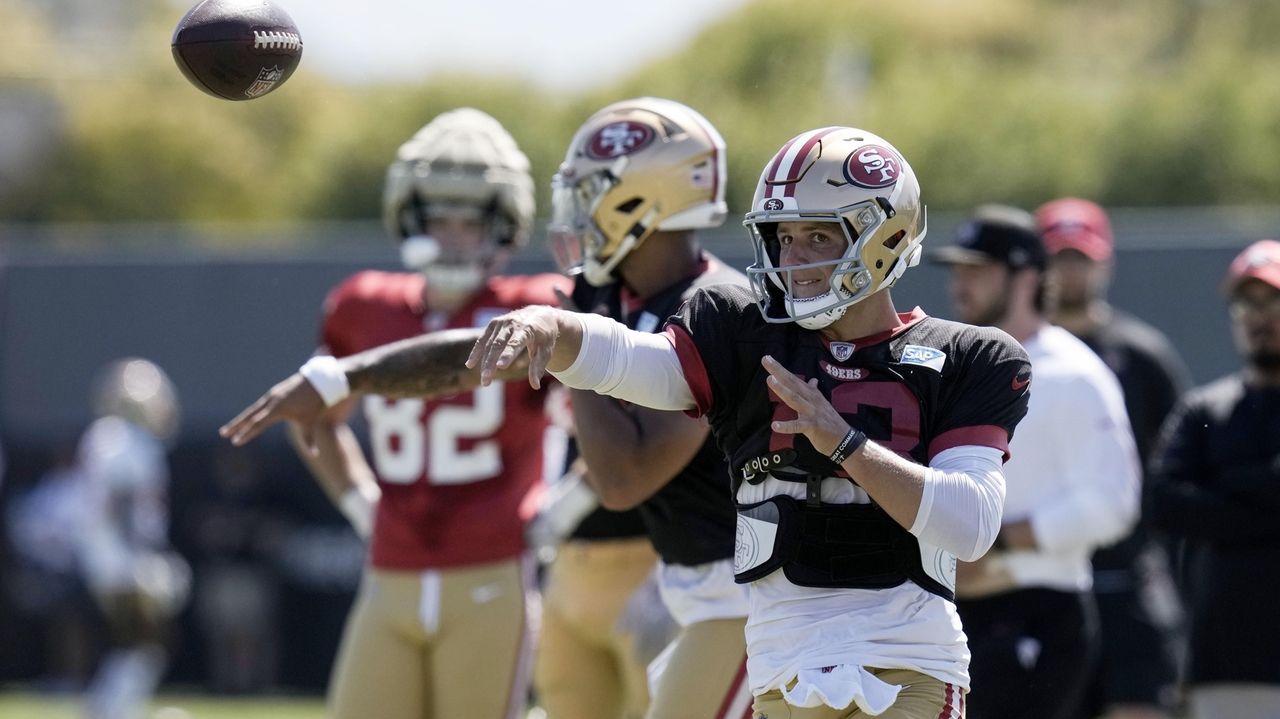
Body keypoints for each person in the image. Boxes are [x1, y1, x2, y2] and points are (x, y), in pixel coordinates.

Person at [462, 126, 1034, 719]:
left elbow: (970, 524)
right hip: (781, 667)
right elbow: (638, 362)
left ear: (885, 235)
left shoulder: (966, 356)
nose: (795, 258)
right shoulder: (741, 331)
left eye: (818, 236)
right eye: (783, 237)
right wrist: (556, 328)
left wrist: (845, 445)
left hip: (905, 663)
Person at [229, 107, 567, 719]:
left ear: (503, 223)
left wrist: (563, 508)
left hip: (490, 565)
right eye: (439, 218)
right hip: (390, 568)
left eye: (470, 222)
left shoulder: (535, 307)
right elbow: (318, 419)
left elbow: (600, 411)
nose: (452, 236)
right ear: (409, 214)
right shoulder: (362, 305)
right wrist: (361, 505)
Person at [545, 97, 754, 719]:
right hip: (694, 586)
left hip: (748, 594)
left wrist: (570, 344)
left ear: (641, 200)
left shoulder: (717, 309)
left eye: (592, 193)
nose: (578, 213)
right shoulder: (617, 293)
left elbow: (624, 478)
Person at [933, 205, 1141, 719]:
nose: (962, 283)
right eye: (959, 269)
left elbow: (1111, 504)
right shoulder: (949, 363)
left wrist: (995, 543)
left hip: (1039, 610)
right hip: (953, 610)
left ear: (1026, 278)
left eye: (978, 269)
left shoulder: (1072, 372)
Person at [1036, 197, 1188, 719]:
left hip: (1127, 578)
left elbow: (1175, 472)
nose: (1070, 271)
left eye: (1081, 257)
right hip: (1035, 579)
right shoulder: (1009, 355)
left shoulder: (1141, 356)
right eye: (1059, 257)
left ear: (1105, 262)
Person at [1146, 239, 1280, 719]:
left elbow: (1195, 503)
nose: (1259, 317)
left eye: (1273, 301)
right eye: (1248, 303)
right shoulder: (1205, 410)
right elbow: (1164, 503)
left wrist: (1224, 487)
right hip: (1227, 660)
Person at [76, 357, 190, 719]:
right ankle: (111, 710)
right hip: (123, 558)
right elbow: (122, 502)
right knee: (145, 645)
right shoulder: (126, 441)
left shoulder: (104, 437)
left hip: (107, 556)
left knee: (134, 645)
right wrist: (142, 559)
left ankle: (109, 707)